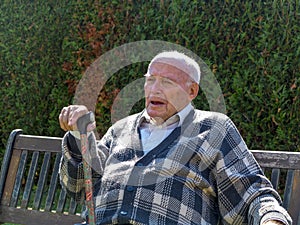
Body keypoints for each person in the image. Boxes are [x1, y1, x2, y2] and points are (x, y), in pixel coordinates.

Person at [59, 51, 292, 225]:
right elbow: (79, 188)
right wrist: (79, 136)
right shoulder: (120, 129)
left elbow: (252, 191)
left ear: (192, 92)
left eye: (167, 82)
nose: (154, 89)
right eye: (150, 79)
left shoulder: (213, 128)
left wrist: (272, 219)